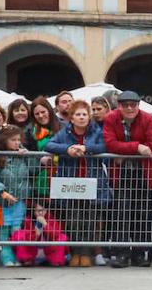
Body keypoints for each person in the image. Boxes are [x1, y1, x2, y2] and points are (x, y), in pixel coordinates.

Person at [103, 91, 152, 268]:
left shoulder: (148, 119)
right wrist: (137, 146)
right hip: (120, 173)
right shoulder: (110, 118)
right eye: (125, 104)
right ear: (119, 106)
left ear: (138, 105)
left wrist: (124, 151)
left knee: (141, 214)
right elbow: (110, 143)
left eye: (133, 104)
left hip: (143, 173)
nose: (129, 108)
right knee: (121, 213)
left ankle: (138, 253)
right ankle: (121, 253)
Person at [46, 100, 108, 267]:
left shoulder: (97, 131)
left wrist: (86, 148)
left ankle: (86, 254)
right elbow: (49, 145)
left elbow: (105, 146)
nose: (81, 117)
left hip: (92, 183)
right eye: (77, 114)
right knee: (74, 220)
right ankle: (75, 253)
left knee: (90, 220)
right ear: (71, 118)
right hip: (71, 184)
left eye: (84, 114)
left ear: (89, 117)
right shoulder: (64, 133)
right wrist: (68, 149)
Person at [0, 126, 34, 266]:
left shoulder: (23, 155)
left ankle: (18, 256)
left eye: (19, 139)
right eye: (13, 140)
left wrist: (29, 156)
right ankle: (6, 257)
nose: (17, 142)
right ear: (4, 140)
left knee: (16, 229)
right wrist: (3, 192)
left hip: (19, 201)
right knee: (3, 229)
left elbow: (35, 169)